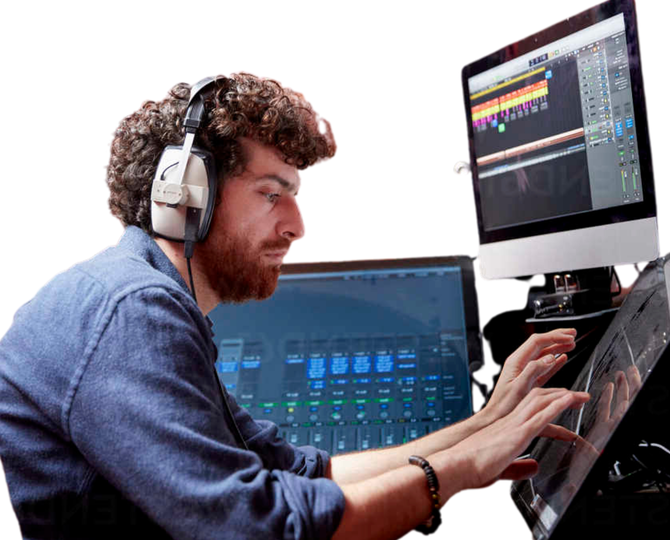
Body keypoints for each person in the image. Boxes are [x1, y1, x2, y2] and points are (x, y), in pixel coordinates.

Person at [0, 72, 589, 540]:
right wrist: (459, 471)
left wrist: (483, 428)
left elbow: (300, 472)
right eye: (270, 193)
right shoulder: (132, 312)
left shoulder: (147, 300)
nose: (296, 225)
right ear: (185, 196)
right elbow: (261, 527)